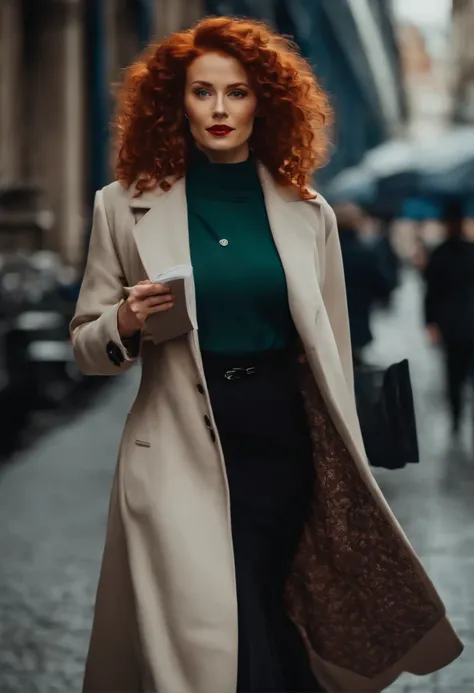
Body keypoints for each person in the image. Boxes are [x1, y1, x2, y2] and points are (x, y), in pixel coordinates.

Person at [70, 16, 462, 693]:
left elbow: (332, 347)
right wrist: (126, 318)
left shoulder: (308, 212)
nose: (220, 110)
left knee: (272, 609)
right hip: (175, 446)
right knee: (207, 624)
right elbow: (86, 347)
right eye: (202, 92)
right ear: (176, 101)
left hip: (284, 440)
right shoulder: (121, 206)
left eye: (238, 92)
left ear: (266, 102)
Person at [424, 199, 474, 435]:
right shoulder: (471, 251)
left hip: (451, 324)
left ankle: (456, 419)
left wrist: (430, 322)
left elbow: (431, 294)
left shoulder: (439, 254)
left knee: (453, 375)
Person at [335, 203, 396, 364]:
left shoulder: (322, 253)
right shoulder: (366, 254)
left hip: (328, 330)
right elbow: (385, 286)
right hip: (358, 327)